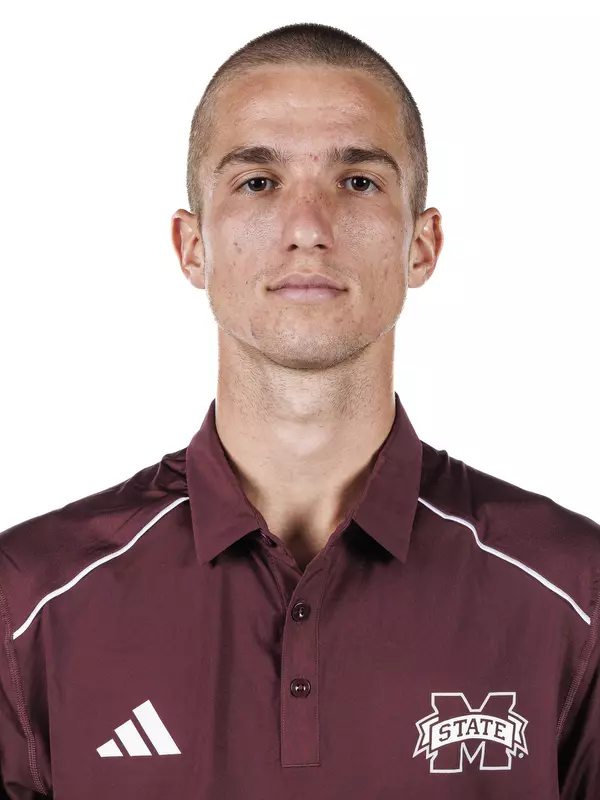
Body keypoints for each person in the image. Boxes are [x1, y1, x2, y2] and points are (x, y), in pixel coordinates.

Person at [0, 21, 598, 800]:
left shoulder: (573, 597)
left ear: (422, 245)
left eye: (358, 182)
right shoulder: (30, 606)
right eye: (258, 181)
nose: (308, 229)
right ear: (191, 248)